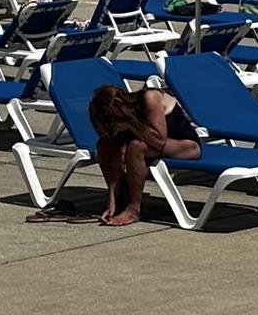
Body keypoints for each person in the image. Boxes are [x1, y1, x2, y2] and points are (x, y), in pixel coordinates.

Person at [83, 77, 198, 226]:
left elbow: (159, 141)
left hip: (186, 145)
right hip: (151, 146)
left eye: (113, 123)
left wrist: (130, 124)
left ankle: (134, 209)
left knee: (136, 146)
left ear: (119, 107)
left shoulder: (150, 98)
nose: (114, 127)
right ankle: (115, 201)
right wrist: (111, 200)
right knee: (104, 144)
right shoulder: (122, 119)